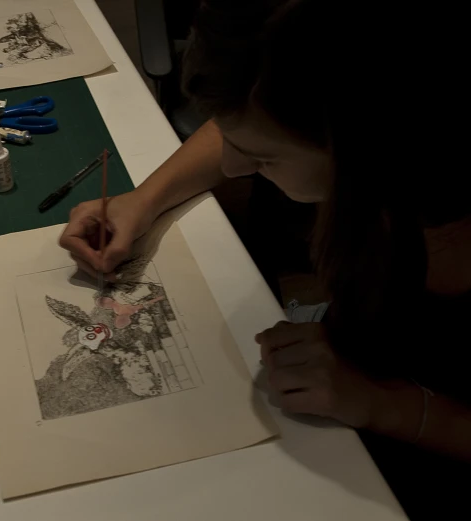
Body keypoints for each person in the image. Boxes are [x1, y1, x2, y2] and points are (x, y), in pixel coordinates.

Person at [59, 0, 470, 517]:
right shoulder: (327, 115)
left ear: (372, 148)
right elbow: (253, 116)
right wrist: (144, 199)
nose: (234, 165)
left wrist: (387, 404)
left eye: (262, 158)